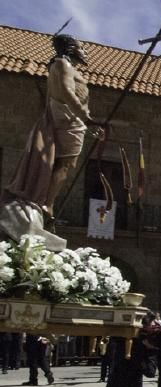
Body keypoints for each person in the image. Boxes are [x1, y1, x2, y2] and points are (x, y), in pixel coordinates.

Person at [1, 34, 101, 250]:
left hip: (68, 119)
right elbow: (66, 91)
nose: (85, 52)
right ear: (71, 48)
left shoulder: (61, 65)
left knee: (59, 164)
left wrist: (87, 124)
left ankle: (46, 202)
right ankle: (48, 203)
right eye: (82, 47)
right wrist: (85, 116)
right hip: (68, 118)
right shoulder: (62, 64)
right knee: (66, 164)